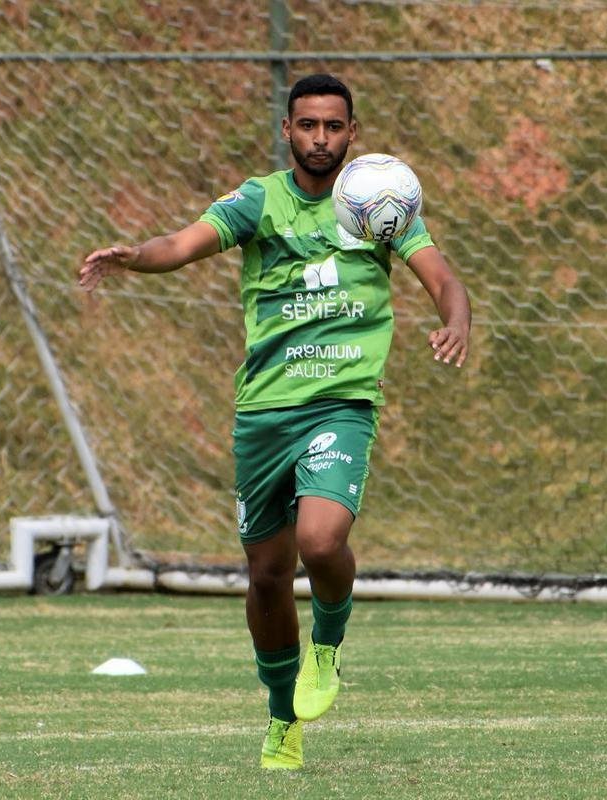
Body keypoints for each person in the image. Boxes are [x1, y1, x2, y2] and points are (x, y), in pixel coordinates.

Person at [79, 73, 469, 770]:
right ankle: (282, 714)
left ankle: (329, 644)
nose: (321, 138)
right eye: (308, 125)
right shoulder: (259, 201)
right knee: (265, 575)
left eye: (334, 126)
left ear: (353, 134)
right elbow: (183, 243)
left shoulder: (377, 202)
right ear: (287, 131)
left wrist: (456, 319)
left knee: (321, 543)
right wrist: (137, 257)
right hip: (263, 412)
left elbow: (441, 276)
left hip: (340, 403)